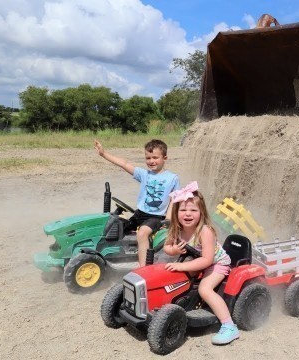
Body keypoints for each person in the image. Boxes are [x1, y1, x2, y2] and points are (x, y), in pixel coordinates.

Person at [163, 181, 240, 346]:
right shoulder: (177, 229)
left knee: (205, 289)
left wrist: (183, 266)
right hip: (196, 261)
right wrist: (174, 250)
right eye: (183, 210)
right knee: (174, 279)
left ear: (201, 212)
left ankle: (229, 326)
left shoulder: (205, 231)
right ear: (176, 212)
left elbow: (207, 260)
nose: (188, 214)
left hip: (216, 264)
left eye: (193, 210)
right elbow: (166, 247)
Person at [94, 139, 179, 267]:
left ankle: (143, 267)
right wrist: (103, 153)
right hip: (139, 214)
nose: (151, 161)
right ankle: (108, 257)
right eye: (148, 158)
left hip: (156, 217)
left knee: (143, 233)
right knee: (114, 226)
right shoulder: (144, 174)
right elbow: (124, 163)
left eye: (155, 157)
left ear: (164, 157)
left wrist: (168, 219)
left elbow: (175, 199)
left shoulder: (172, 178)